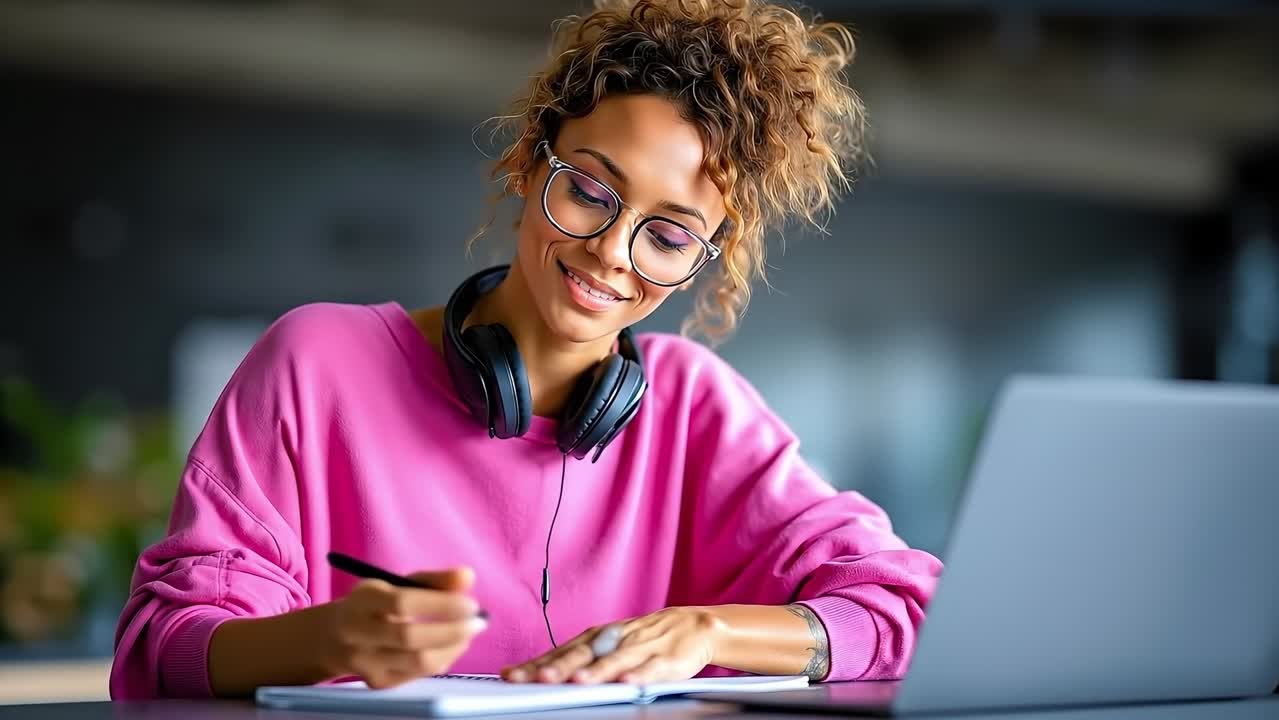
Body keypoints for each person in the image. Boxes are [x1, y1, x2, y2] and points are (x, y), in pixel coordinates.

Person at [110, 0, 941, 699]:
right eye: (588, 189)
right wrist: (329, 641)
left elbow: (910, 604)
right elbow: (163, 645)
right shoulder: (316, 362)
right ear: (527, 162)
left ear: (700, 261)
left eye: (669, 235)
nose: (615, 251)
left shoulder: (696, 406)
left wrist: (707, 630)